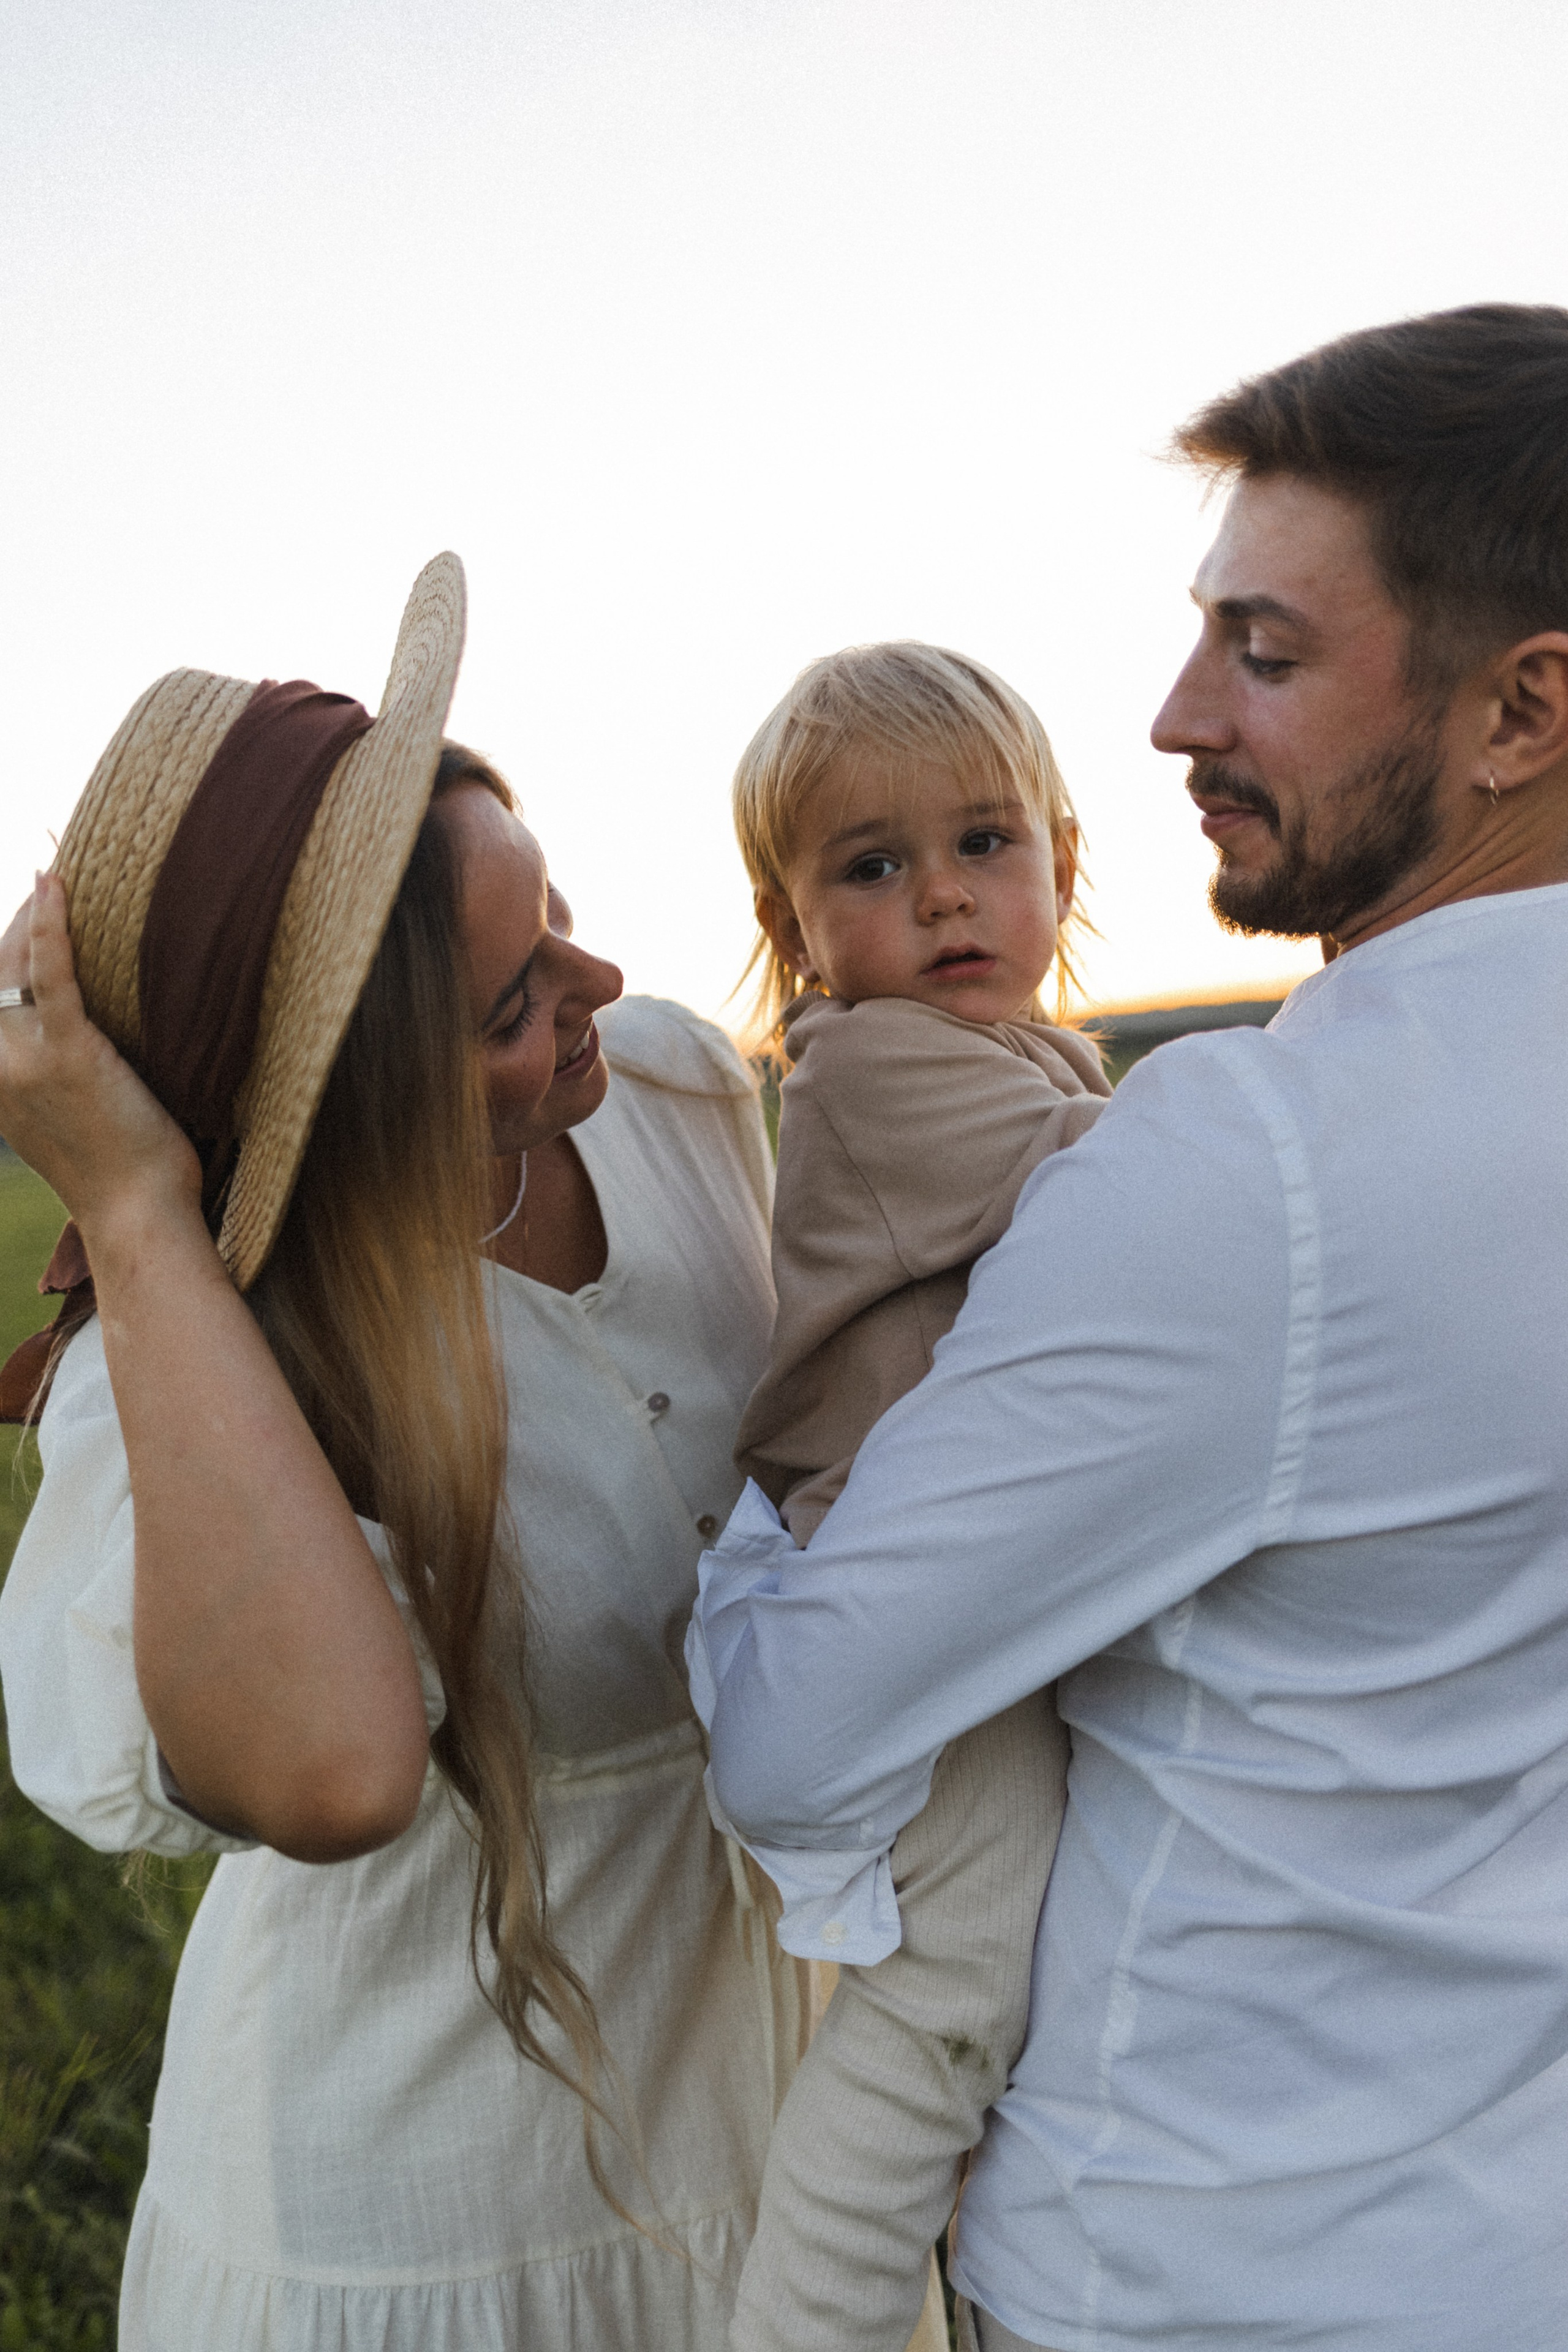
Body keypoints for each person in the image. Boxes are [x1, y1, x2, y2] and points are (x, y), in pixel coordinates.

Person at [692, 303, 1568, 2352]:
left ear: (1523, 711)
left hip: (1198, 2267)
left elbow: (795, 1742)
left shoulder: (1250, 1172)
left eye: (1265, 651)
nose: (1176, 717)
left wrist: (749, 1524)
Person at [0, 555, 807, 2351]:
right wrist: (135, 1210)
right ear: (352, 1099)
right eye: (515, 1003)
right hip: (420, 2221)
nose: (598, 983)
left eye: (566, 919)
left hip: (774, 2122)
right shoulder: (194, 1371)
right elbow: (335, 1774)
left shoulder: (678, 1100)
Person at [700, 643, 1109, 2352]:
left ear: (1061, 866)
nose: (942, 897)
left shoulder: (1027, 1056)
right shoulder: (875, 1065)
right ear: (802, 935)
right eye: (872, 867)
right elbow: (1140, 1211)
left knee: (998, 1980)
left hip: (962, 1583)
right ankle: (817, 2321)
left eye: (984, 844)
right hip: (895, 1592)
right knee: (949, 1991)